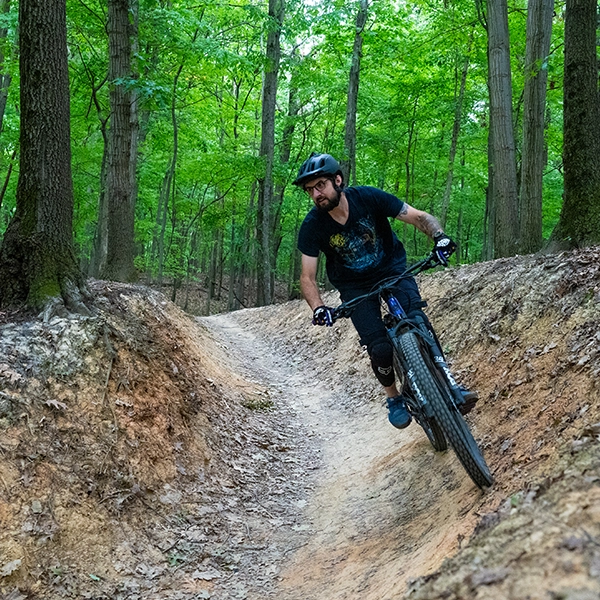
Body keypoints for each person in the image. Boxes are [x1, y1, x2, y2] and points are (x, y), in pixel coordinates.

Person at [294, 152, 458, 430]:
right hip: (354, 286)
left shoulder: (368, 197)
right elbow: (307, 277)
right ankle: (393, 398)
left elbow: (419, 217)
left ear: (338, 180)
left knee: (417, 319)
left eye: (320, 185)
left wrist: (440, 237)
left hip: (392, 268)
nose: (316, 194)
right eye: (310, 190)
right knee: (380, 348)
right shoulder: (312, 226)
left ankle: (448, 381)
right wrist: (319, 308)